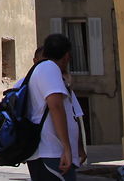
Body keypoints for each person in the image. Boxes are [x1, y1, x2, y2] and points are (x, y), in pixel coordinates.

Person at [26, 33, 79, 180]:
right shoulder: (49, 68)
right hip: (52, 152)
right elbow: (55, 106)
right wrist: (67, 149)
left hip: (49, 154)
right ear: (67, 56)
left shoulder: (42, 70)